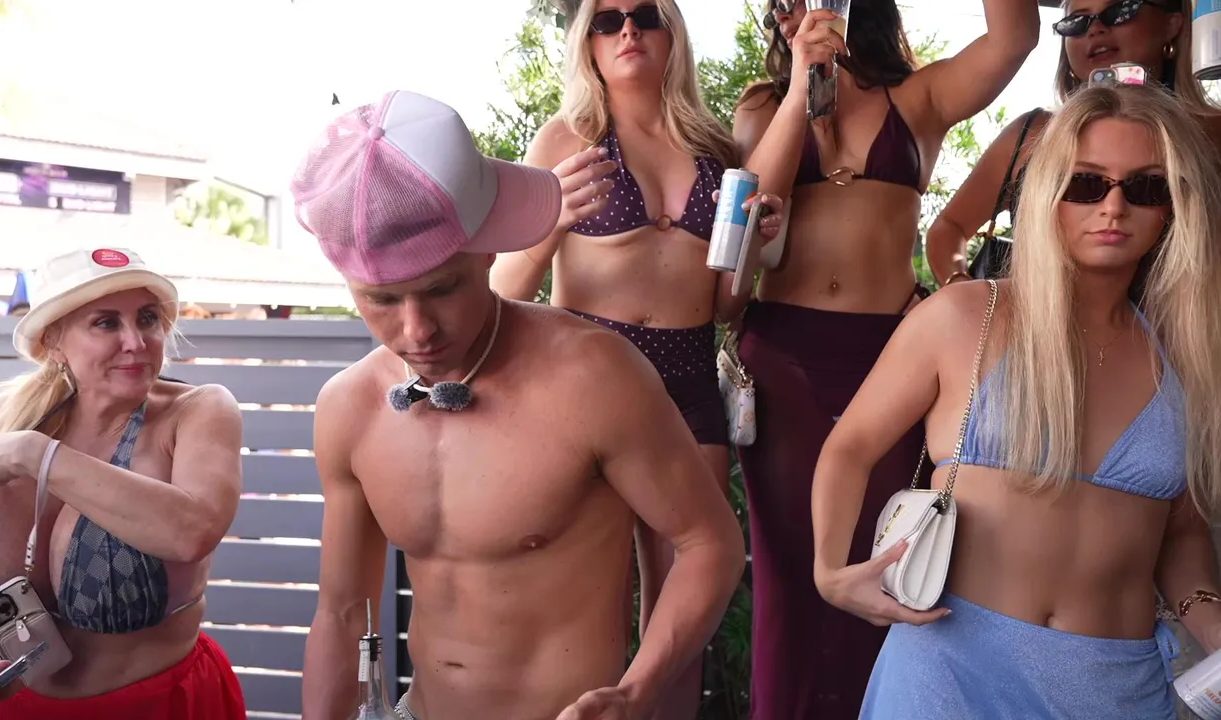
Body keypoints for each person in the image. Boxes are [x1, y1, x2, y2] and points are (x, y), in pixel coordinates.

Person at [292, 90, 747, 720]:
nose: (417, 331)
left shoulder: (594, 375)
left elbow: (709, 543)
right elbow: (342, 613)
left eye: (442, 289)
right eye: (382, 300)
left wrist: (638, 690)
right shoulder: (349, 407)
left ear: (488, 247)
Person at [812, 81, 1221, 719]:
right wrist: (829, 571)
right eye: (1087, 184)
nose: (1113, 207)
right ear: (1047, 191)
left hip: (1113, 688)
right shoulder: (964, 316)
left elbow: (1183, 532)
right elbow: (850, 446)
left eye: (1145, 187)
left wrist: (1212, 625)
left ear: (1174, 206)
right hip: (947, 671)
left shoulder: (1188, 354)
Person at [716, 1, 1040, 717]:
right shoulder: (763, 104)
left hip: (891, 360)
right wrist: (802, 87)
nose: (791, 9)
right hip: (783, 361)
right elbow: (747, 215)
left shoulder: (918, 96)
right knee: (793, 575)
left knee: (894, 562)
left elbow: (1015, 37)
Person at [488, 2, 783, 714]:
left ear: (671, 32)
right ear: (586, 42)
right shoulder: (566, 138)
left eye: (646, 14)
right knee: (585, 611)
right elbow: (503, 290)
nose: (627, 29)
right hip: (585, 387)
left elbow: (725, 305)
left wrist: (754, 247)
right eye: (607, 18)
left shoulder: (715, 148)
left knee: (682, 615)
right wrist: (550, 222)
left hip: (687, 381)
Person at [0, 247, 247, 719]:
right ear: (53, 341)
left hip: (160, 704)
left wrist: (38, 455)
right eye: (106, 323)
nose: (136, 341)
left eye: (148, 318)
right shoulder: (3, 414)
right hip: (8, 708)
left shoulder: (196, 411)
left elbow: (193, 530)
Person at [927, 0, 1220, 285]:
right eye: (1076, 21)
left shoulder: (1213, 132)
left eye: (1121, 10)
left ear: (1172, 23)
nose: (1095, 29)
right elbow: (948, 229)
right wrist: (964, 293)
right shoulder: (1030, 134)